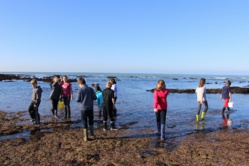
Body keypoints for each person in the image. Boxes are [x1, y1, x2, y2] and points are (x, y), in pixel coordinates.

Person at [76, 77, 97, 141]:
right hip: (90, 108)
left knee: (84, 122)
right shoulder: (90, 89)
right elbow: (95, 98)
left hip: (83, 108)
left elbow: (78, 100)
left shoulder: (80, 90)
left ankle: (86, 137)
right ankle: (92, 134)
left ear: (80, 83)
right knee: (91, 121)